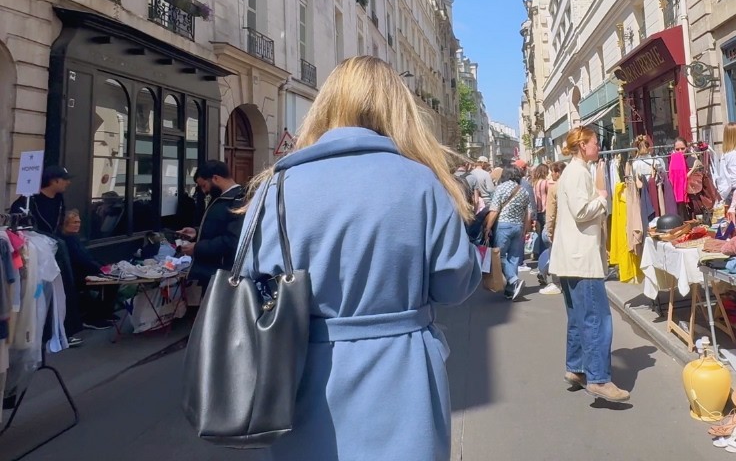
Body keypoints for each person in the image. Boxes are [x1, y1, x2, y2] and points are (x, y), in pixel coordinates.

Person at [232, 56, 480, 461]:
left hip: (298, 377)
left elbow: (250, 284)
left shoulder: (275, 187)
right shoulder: (422, 182)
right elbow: (453, 284)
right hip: (403, 378)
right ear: (399, 111)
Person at [549, 127, 630, 403]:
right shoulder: (578, 172)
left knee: (578, 317)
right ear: (583, 145)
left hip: (572, 258)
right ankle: (599, 379)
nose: (599, 146)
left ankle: (576, 368)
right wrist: (602, 199)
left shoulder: (572, 172)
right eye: (595, 142)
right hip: (582, 259)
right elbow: (582, 211)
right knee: (596, 319)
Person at [10, 165, 84, 345]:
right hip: (34, 252)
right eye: (65, 179)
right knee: (36, 292)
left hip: (53, 249)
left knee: (62, 289)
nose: (68, 183)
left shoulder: (59, 199)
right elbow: (18, 225)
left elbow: (57, 225)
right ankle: (36, 332)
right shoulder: (29, 200)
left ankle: (63, 331)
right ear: (54, 180)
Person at [177, 160, 246, 287]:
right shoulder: (221, 198)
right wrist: (196, 232)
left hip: (225, 274)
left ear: (215, 178)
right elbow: (218, 228)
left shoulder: (239, 199)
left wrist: (197, 248)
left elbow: (232, 240)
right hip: (214, 272)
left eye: (204, 185)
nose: (204, 191)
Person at [58, 209, 117, 330]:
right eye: (74, 222)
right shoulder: (65, 240)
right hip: (76, 276)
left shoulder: (74, 237)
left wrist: (103, 266)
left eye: (79, 222)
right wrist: (100, 269)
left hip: (85, 271)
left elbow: (87, 256)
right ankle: (93, 318)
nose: (78, 225)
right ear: (65, 223)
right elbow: (80, 260)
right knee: (110, 284)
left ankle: (104, 313)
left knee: (113, 282)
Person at [486, 166, 533, 300]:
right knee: (514, 257)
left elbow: (494, 210)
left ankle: (513, 280)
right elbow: (528, 212)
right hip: (518, 226)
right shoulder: (523, 190)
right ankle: (511, 290)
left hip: (503, 225)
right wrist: (526, 228)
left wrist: (488, 227)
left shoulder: (501, 188)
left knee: (499, 256)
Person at [538, 162, 565, 295]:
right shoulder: (572, 184)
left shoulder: (554, 188)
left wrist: (549, 230)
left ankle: (557, 283)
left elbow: (551, 213)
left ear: (557, 173)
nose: (551, 174)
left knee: (554, 255)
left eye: (553, 172)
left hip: (558, 227)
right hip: (571, 227)